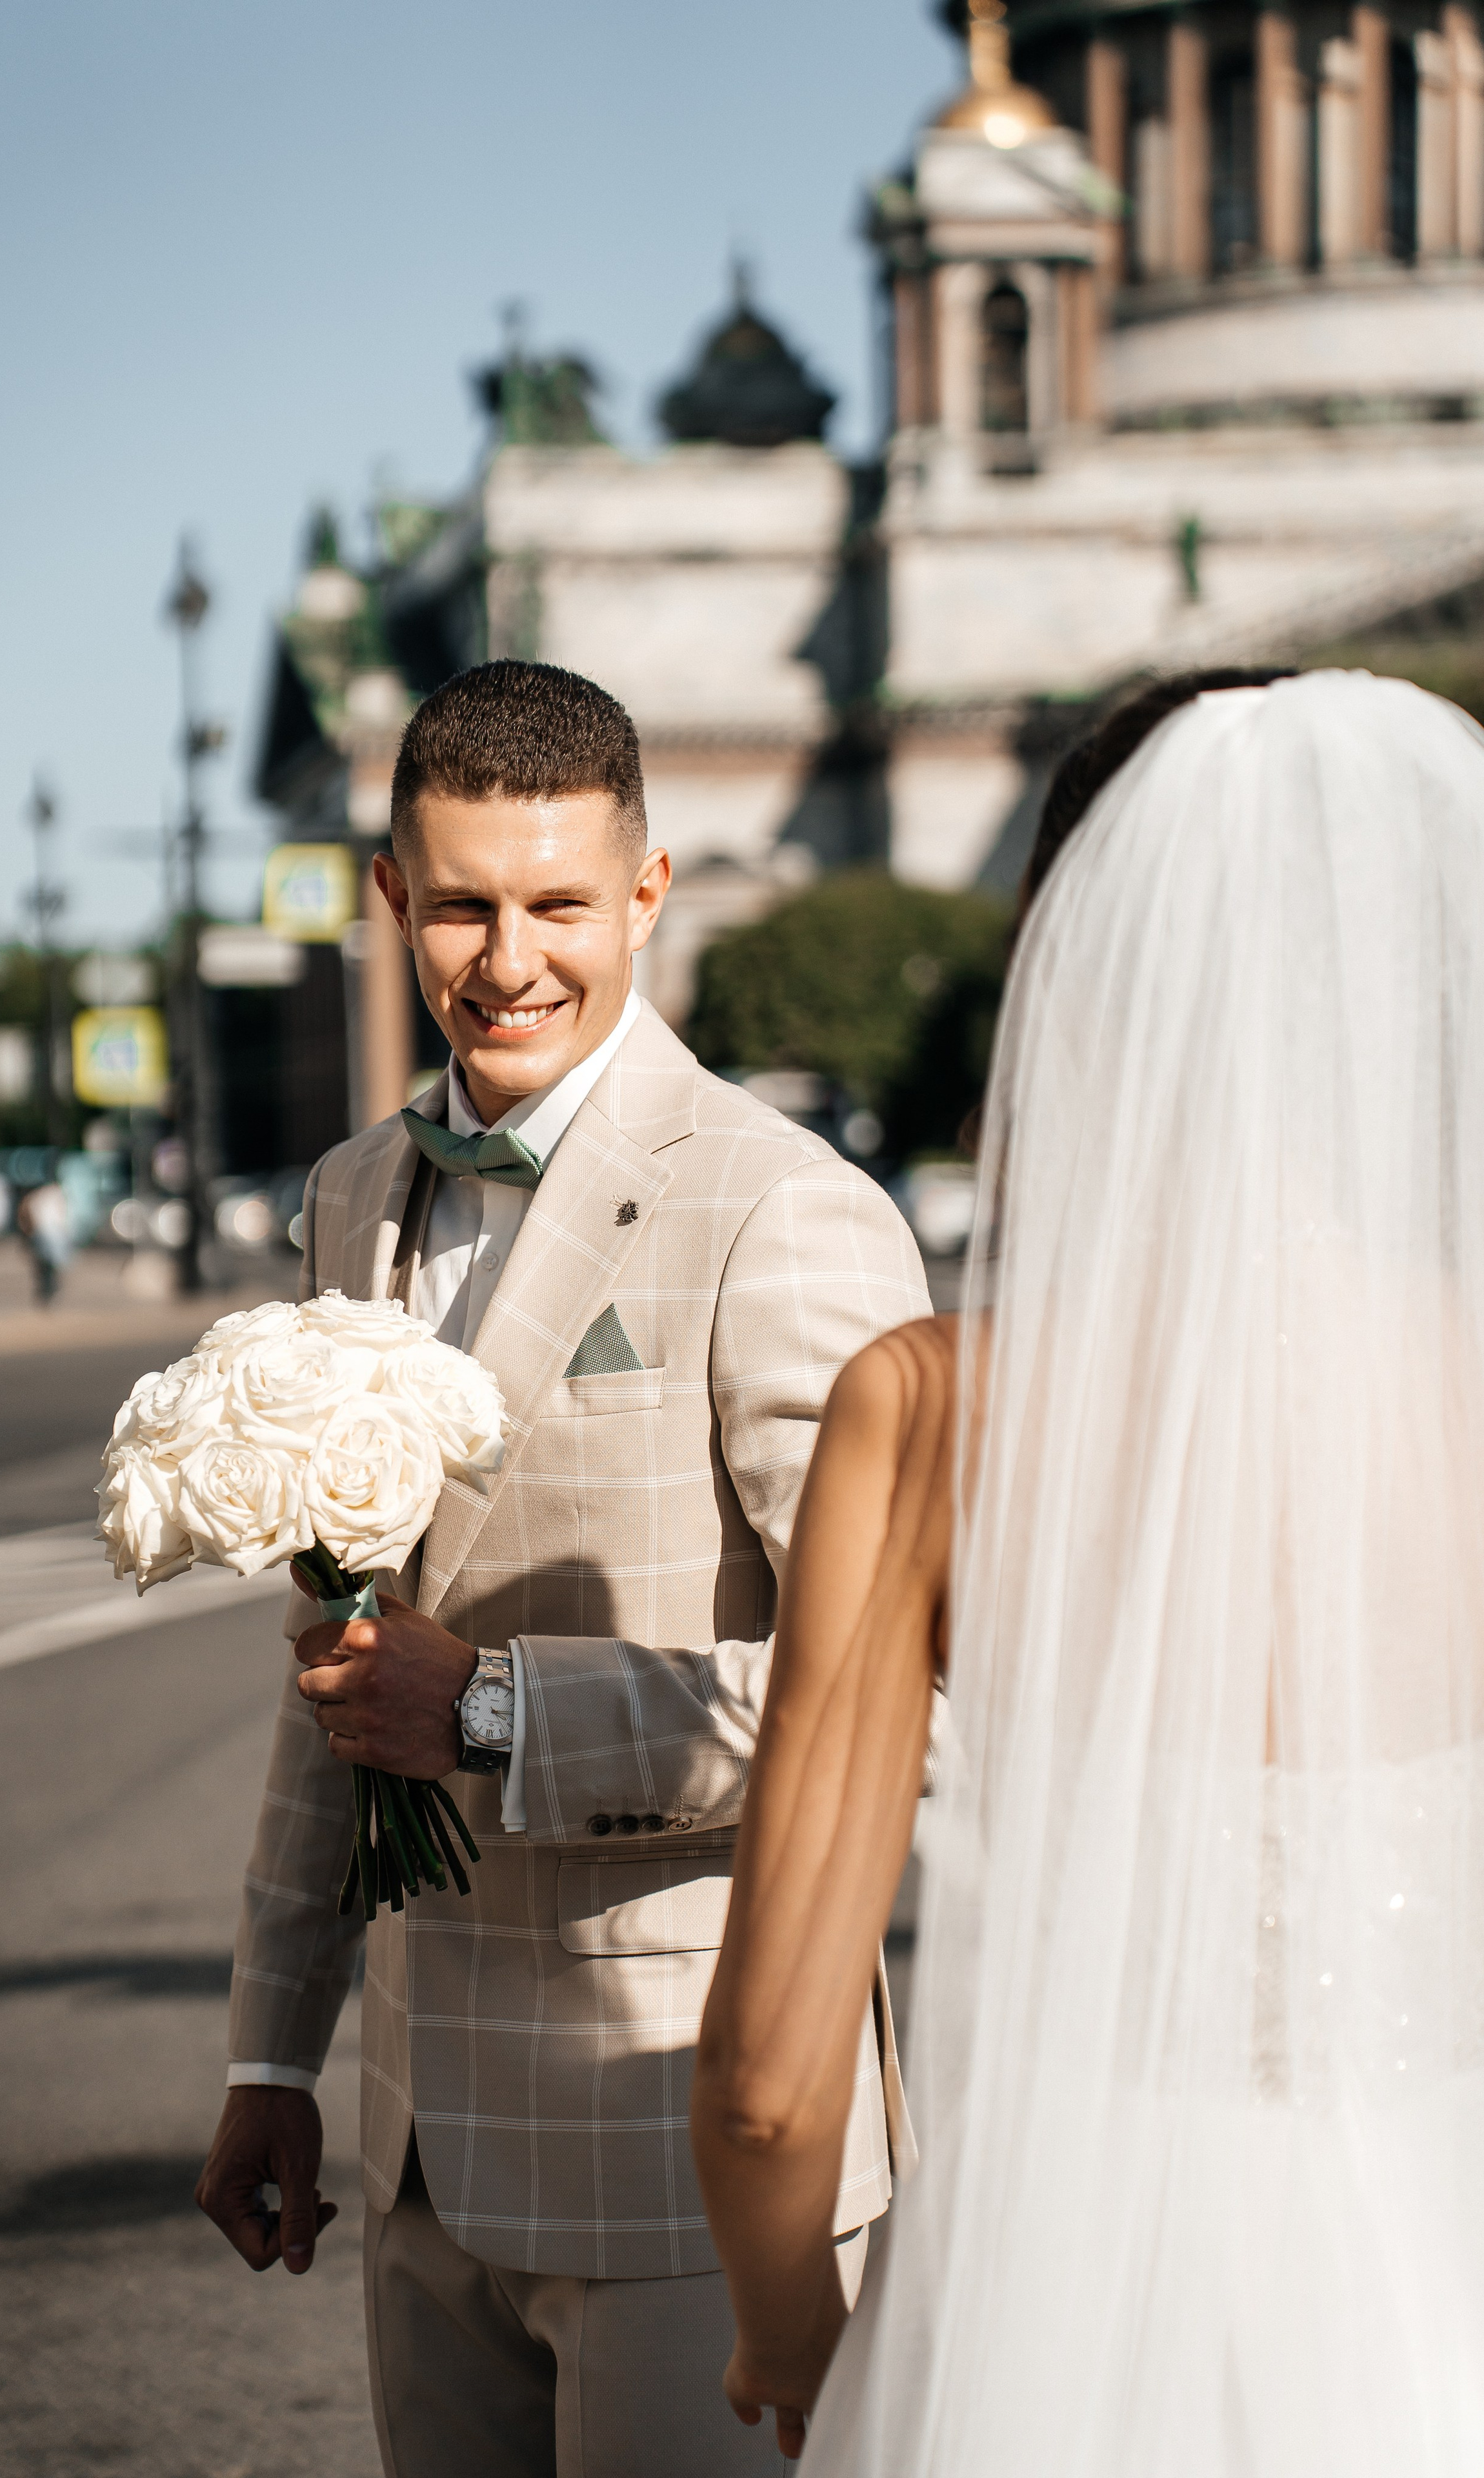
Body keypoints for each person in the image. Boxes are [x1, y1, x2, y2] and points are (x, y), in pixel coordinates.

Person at [693, 667, 1484, 2474]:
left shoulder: (938, 1413)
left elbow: (765, 2086)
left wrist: (794, 2339)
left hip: (1050, 2328)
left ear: (1082, 973)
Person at [194, 659, 930, 2478]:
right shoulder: (360, 1193)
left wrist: (507, 1708)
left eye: (558, 906)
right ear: (393, 902)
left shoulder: (786, 1212)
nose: (508, 959)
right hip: (416, 2137)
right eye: (460, 905)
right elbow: (342, 1668)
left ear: (649, 895)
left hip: (688, 2146)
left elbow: (893, 1706)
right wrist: (273, 2053)